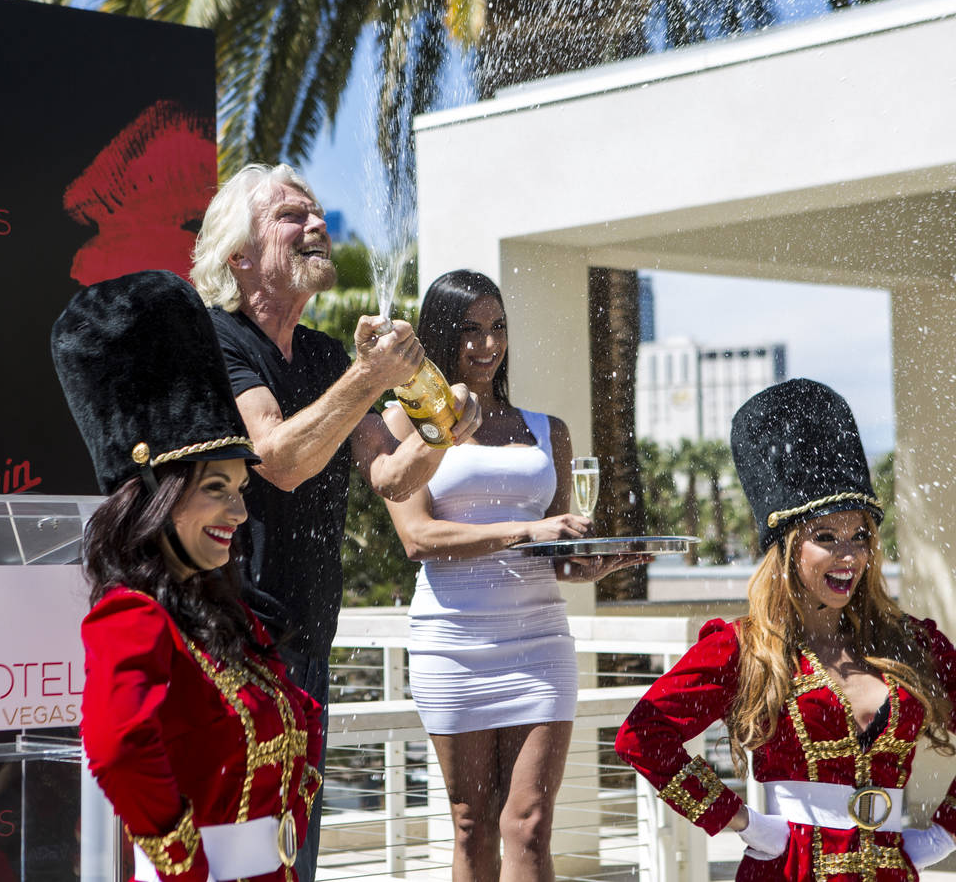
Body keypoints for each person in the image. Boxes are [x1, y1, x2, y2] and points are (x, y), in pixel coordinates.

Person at [190, 165, 481, 882]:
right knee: (233, 855)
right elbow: (276, 458)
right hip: (233, 646)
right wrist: (369, 376)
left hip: (308, 642)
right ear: (240, 255)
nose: (316, 223)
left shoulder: (324, 355)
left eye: (317, 211)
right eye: (292, 215)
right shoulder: (217, 340)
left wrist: (447, 429)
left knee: (295, 856)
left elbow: (388, 475)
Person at [615, 378, 956, 881]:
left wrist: (942, 835)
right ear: (789, 547)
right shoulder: (744, 648)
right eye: (826, 537)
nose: (849, 555)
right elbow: (641, 737)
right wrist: (745, 824)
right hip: (788, 870)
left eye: (860, 536)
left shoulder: (912, 642)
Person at [52, 270, 323, 882]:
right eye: (217, 489)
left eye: (241, 489)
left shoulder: (228, 615)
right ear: (160, 499)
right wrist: (185, 865)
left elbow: (299, 711)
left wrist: (292, 813)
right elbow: (119, 748)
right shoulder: (131, 615)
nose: (239, 512)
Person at [380, 269, 648, 882]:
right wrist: (526, 532)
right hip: (454, 642)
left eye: (498, 327)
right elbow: (418, 537)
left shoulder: (546, 429)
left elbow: (557, 549)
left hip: (540, 642)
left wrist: (592, 562)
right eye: (470, 330)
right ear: (440, 337)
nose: (487, 344)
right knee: (473, 823)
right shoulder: (402, 424)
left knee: (528, 824)